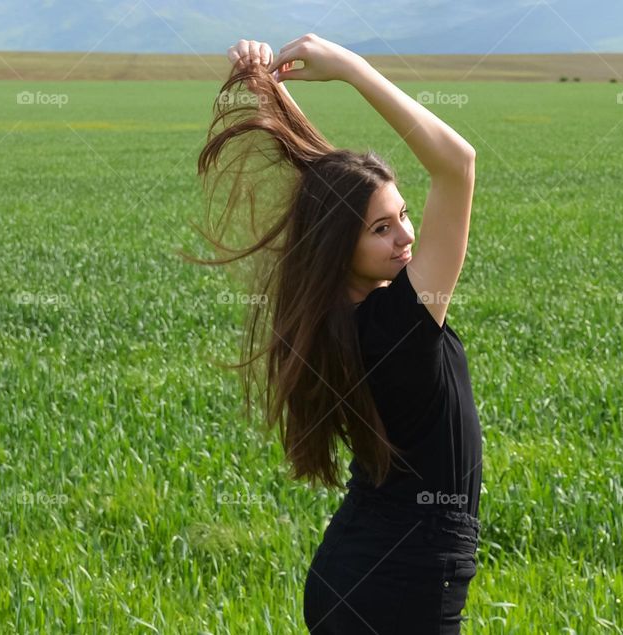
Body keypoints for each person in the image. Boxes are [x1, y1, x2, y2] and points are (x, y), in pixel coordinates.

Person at [189, 35, 480, 633]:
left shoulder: (329, 316)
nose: (405, 237)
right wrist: (353, 69)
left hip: (357, 572)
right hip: (404, 587)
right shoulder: (403, 320)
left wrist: (265, 88)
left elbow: (324, 184)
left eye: (403, 215)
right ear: (338, 241)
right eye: (381, 227)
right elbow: (458, 164)